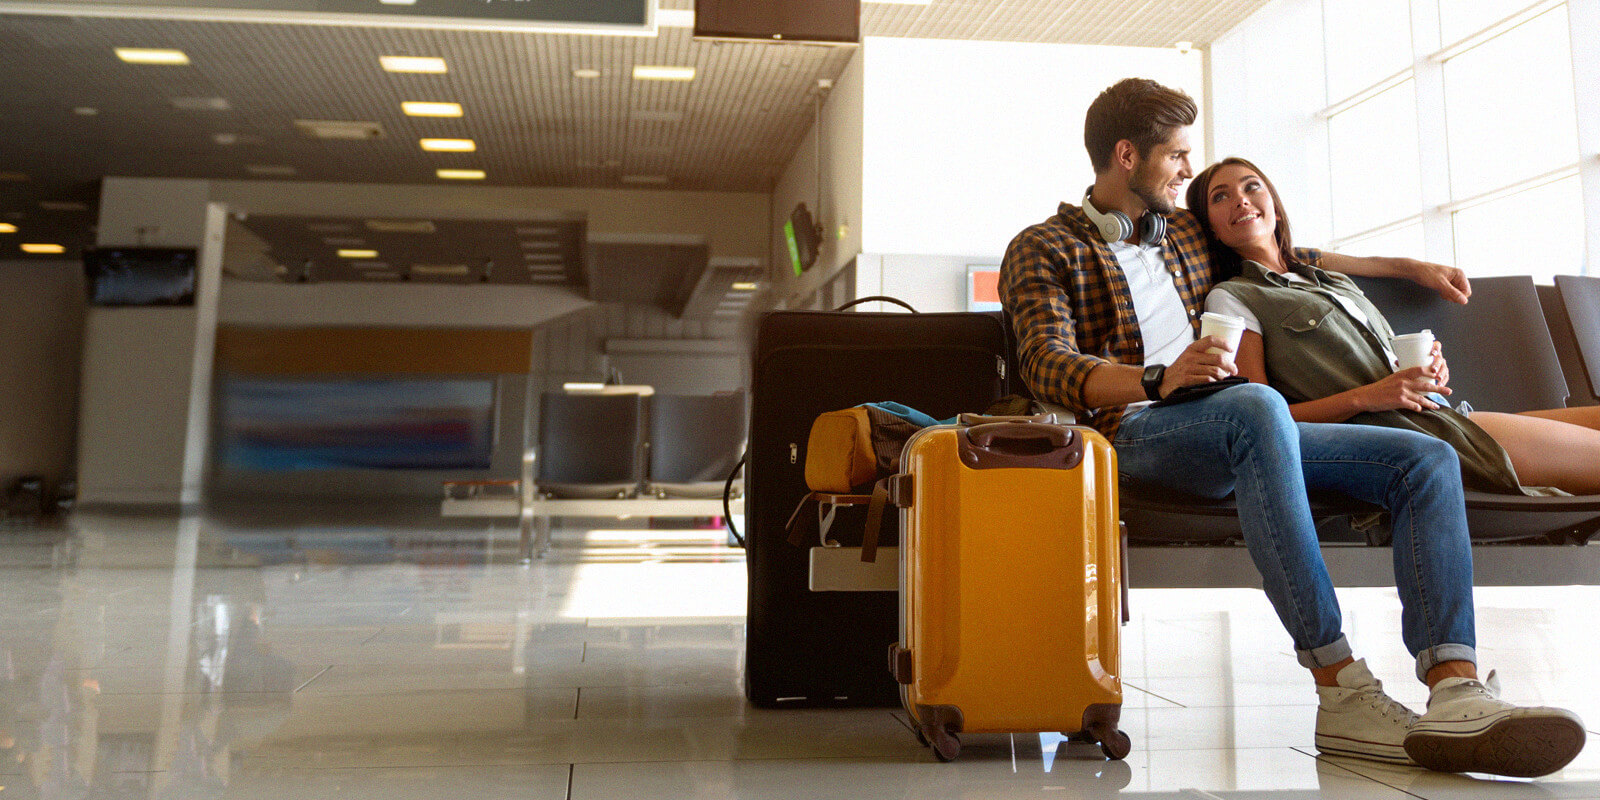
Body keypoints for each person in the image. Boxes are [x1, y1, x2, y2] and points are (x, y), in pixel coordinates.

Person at [1000, 77, 1585, 777]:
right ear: (1127, 156)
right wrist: (1160, 379)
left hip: (1236, 426)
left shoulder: (1186, 234)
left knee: (1424, 458)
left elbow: (1294, 250)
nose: (1190, 171)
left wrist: (1409, 267)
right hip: (1133, 431)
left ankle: (1454, 686)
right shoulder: (1043, 248)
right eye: (1178, 156)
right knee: (1257, 404)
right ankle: (1338, 684)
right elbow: (1046, 363)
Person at [1190, 157, 1600, 496]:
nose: (1240, 201)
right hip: (1414, 436)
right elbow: (1260, 421)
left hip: (1440, 414)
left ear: (1275, 206)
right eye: (1221, 197)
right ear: (1212, 228)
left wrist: (1428, 369)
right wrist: (1370, 396)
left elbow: (1348, 273)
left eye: (1251, 187)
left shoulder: (1329, 279)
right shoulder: (1232, 298)